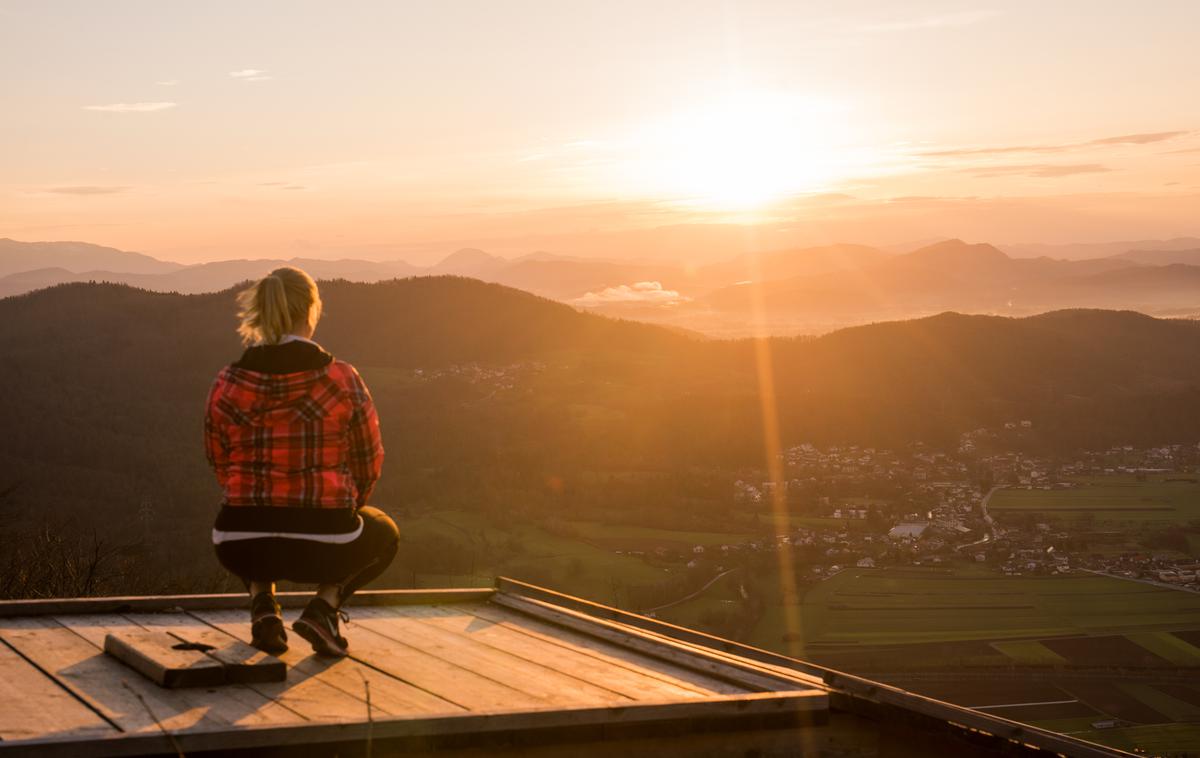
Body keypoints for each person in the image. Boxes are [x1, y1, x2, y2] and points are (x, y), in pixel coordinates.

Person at [204, 266, 398, 657]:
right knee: (385, 533)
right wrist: (347, 505)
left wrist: (255, 494)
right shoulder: (342, 378)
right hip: (324, 542)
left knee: (255, 514)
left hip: (238, 542)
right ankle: (323, 609)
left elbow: (219, 458)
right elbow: (368, 459)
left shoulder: (228, 380)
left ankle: (263, 610)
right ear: (312, 310)